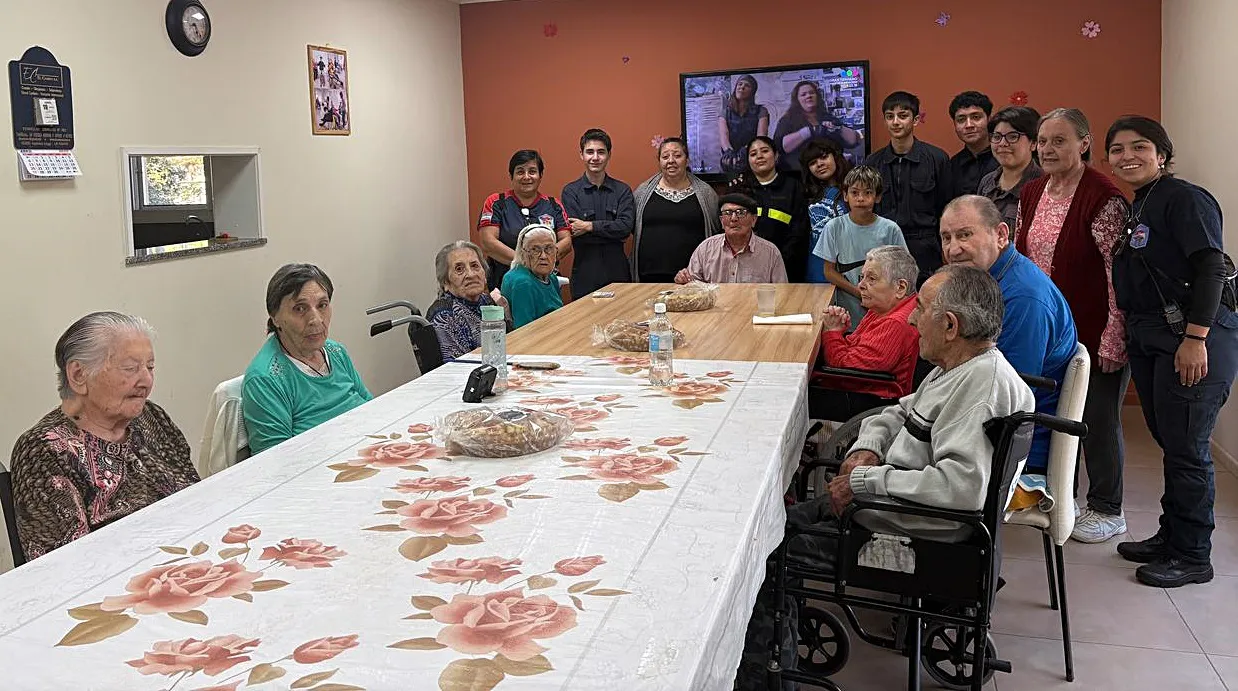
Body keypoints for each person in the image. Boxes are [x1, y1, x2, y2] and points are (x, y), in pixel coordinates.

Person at [735, 265, 1035, 690]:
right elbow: (896, 411)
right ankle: (780, 648)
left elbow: (960, 488)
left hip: (916, 537)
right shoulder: (961, 366)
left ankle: (762, 682)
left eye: (922, 309)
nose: (911, 318)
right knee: (772, 526)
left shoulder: (979, 388)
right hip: (891, 504)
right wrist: (865, 449)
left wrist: (865, 482)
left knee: (763, 553)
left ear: (950, 325)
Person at [1107, 116, 1238, 587]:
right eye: (1118, 149)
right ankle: (1171, 536)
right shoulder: (1140, 205)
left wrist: (1196, 338)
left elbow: (1211, 269)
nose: (1128, 157)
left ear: (1162, 154)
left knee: (1187, 449)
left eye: (1139, 147)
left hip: (1193, 338)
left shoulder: (1185, 199)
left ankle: (1192, 554)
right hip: (1154, 338)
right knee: (1171, 440)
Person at [1016, 108, 1131, 544]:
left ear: (1084, 143)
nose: (1047, 149)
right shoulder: (1032, 191)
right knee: (1054, 416)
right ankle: (1063, 496)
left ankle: (1108, 507)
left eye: (1059, 140)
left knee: (1098, 420)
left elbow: (1115, 274)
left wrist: (1113, 335)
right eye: (1043, 141)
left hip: (1095, 326)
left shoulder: (1103, 197)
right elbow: (1026, 260)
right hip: (1046, 327)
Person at [10, 312, 199, 560]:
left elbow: (196, 493)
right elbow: (65, 565)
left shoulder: (150, 416)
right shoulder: (43, 450)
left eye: (150, 367)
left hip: (191, 555)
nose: (146, 380)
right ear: (78, 375)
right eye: (130, 368)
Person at [941, 195, 1076, 477]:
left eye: (965, 235)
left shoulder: (1024, 298)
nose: (953, 249)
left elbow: (1007, 397)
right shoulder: (984, 281)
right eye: (946, 238)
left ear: (1001, 234)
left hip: (1016, 451)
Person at [243, 264, 372, 455]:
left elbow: (372, 408)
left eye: (322, 305)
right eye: (300, 309)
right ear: (275, 318)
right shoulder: (265, 379)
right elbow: (273, 463)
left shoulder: (336, 352)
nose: (316, 319)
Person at [810, 245, 921, 421]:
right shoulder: (883, 308)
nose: (860, 285)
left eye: (872, 279)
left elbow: (841, 365)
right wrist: (840, 331)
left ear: (900, 287)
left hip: (872, 401)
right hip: (864, 385)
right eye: (862, 277)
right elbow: (856, 345)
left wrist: (832, 332)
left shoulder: (895, 323)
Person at [865, 91, 952, 285]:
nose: (896, 122)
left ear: (915, 120)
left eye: (903, 116)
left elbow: (946, 208)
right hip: (884, 247)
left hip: (925, 247)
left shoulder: (937, 159)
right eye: (890, 116)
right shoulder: (873, 162)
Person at [814, 166, 906, 327]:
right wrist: (859, 293)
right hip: (847, 311)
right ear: (845, 196)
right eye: (854, 193)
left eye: (868, 193)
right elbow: (828, 271)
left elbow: (902, 272)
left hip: (883, 313)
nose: (860, 198)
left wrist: (875, 297)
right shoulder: (834, 227)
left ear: (877, 197)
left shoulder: (890, 229)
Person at [476, 150, 572, 290]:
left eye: (532, 171)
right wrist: (525, 262)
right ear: (511, 176)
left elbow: (567, 242)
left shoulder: (554, 205)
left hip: (545, 284)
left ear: (540, 176)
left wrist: (541, 260)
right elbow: (488, 243)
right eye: (520, 172)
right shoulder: (496, 202)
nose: (526, 177)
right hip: (505, 284)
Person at [632, 137, 720, 283]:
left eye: (677, 155)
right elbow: (632, 227)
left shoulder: (706, 193)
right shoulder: (643, 192)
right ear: (659, 161)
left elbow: (716, 230)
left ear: (687, 160)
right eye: (665, 156)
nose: (671, 160)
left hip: (692, 277)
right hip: (649, 276)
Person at [561, 129, 636, 299]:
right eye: (590, 152)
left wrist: (589, 226)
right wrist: (610, 231)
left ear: (609, 155)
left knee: (621, 322)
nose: (595, 157)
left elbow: (625, 228)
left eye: (601, 152)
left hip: (618, 274)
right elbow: (575, 232)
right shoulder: (571, 192)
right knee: (585, 323)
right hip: (585, 275)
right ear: (581, 154)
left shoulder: (622, 191)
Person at [728, 136, 810, 281]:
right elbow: (730, 230)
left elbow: (799, 230)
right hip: (745, 269)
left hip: (787, 267)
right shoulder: (739, 189)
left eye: (765, 151)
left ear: (776, 155)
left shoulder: (793, 187)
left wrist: (778, 261)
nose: (759, 156)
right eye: (753, 154)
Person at [674, 193, 787, 284]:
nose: (733, 219)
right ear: (722, 221)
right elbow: (692, 288)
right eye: (727, 213)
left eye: (740, 213)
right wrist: (683, 280)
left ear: (753, 220)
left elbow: (781, 294)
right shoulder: (706, 249)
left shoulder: (771, 253)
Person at [427, 240, 510, 361]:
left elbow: (508, 342)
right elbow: (457, 368)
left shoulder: (486, 300)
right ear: (445, 282)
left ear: (484, 275)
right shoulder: (444, 315)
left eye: (475, 266)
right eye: (459, 269)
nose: (471, 274)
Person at [978, 106, 1043, 236]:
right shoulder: (987, 182)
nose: (1002, 143)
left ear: (1034, 143)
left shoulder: (1044, 185)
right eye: (997, 137)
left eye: (1013, 136)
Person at [773, 80, 862, 173]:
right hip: (799, 175)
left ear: (817, 96)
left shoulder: (828, 117)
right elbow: (781, 146)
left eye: (812, 93)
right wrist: (808, 132)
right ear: (797, 100)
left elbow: (853, 140)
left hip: (831, 175)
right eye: (803, 94)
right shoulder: (787, 120)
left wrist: (838, 128)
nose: (808, 96)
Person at [801, 138, 853, 283]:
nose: (819, 164)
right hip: (816, 270)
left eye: (824, 157)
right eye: (812, 163)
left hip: (847, 266)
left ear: (835, 157)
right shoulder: (807, 194)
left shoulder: (853, 190)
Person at [501, 224, 565, 328]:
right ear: (523, 253)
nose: (543, 256)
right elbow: (525, 331)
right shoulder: (523, 283)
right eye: (535, 250)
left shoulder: (551, 277)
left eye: (549, 249)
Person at [948, 91, 1000, 197]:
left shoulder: (1004, 157)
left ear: (989, 119)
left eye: (976, 117)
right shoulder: (952, 165)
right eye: (961, 120)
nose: (969, 125)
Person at [716, 74, 770, 174]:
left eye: (747, 85)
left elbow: (761, 136)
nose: (742, 87)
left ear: (752, 92)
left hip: (753, 156)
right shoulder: (725, 112)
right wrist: (730, 153)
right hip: (730, 160)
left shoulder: (762, 111)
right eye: (739, 84)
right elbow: (724, 135)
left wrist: (746, 151)